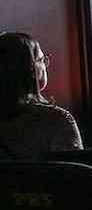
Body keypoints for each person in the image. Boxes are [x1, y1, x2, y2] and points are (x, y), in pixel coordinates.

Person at [0, 32, 82, 160]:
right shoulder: (57, 120)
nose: (45, 65)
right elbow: (77, 169)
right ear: (31, 69)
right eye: (42, 60)